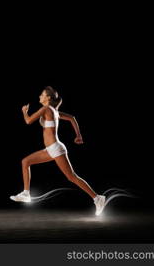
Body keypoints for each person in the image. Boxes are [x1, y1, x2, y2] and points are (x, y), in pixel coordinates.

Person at [10, 86, 106, 216]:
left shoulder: (45, 109)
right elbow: (72, 118)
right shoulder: (53, 110)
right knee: (25, 162)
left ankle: (97, 198)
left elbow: (28, 121)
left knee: (72, 177)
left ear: (48, 98)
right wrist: (78, 136)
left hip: (55, 148)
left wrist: (24, 111)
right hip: (51, 149)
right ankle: (26, 193)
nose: (39, 96)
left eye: (42, 94)